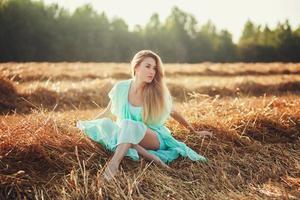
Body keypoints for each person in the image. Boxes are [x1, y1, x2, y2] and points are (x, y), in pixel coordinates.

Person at [77, 50, 212, 181]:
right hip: (127, 131)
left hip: (153, 137)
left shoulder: (157, 92)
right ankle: (153, 158)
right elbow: (107, 113)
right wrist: (88, 123)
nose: (152, 71)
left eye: (154, 68)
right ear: (136, 66)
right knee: (107, 124)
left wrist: (194, 131)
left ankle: (113, 164)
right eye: (148, 66)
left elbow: (174, 112)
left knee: (126, 124)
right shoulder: (121, 87)